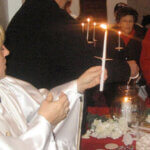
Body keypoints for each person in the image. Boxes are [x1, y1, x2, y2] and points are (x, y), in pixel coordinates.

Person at [0, 25, 107, 150]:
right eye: (0, 48)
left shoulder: (7, 85)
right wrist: (44, 122)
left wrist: (77, 86)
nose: (7, 52)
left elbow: (41, 103)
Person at [5, 0, 132, 90]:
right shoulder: (57, 19)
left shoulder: (27, 11)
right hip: (44, 105)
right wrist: (127, 69)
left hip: (23, 98)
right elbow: (87, 70)